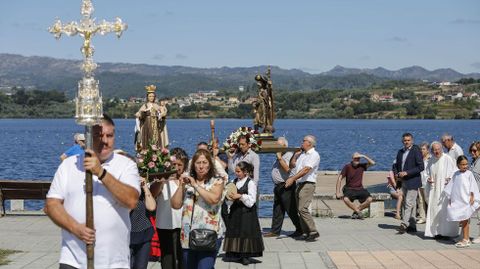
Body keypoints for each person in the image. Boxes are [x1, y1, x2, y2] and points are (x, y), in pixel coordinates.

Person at [45, 114, 140, 269]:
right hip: (73, 260)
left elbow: (131, 200)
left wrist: (101, 172)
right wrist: (76, 228)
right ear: (88, 137)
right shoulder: (69, 165)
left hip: (114, 262)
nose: (105, 140)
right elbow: (52, 204)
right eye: (98, 135)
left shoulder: (126, 165)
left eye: (109, 136)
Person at [171, 149, 225, 269]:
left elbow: (214, 199)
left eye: (204, 163)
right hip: (187, 236)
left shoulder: (217, 181)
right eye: (198, 163)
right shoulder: (187, 183)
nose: (201, 166)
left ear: (210, 165)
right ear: (193, 165)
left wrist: (195, 185)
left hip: (209, 234)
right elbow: (175, 205)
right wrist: (181, 186)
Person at [151, 147, 188, 269]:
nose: (177, 167)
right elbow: (153, 194)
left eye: (180, 164)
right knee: (167, 259)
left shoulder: (187, 179)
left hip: (183, 225)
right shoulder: (164, 179)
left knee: (182, 258)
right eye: (174, 164)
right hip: (165, 225)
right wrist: (162, 180)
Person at [223, 162, 264, 265]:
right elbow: (229, 199)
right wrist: (229, 198)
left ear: (245, 172)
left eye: (238, 171)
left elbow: (251, 201)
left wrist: (240, 196)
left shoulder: (251, 183)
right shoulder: (234, 181)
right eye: (235, 171)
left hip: (247, 213)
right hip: (236, 211)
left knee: (246, 232)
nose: (236, 173)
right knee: (235, 230)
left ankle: (246, 255)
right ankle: (236, 253)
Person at [264, 137, 303, 238]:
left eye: (278, 146)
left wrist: (279, 158)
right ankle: (275, 231)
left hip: (286, 185)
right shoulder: (281, 155)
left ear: (285, 146)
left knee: (291, 209)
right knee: (277, 209)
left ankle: (300, 229)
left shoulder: (288, 155)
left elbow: (287, 169)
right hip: (278, 186)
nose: (276, 148)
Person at [285, 135, 320, 242]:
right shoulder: (302, 154)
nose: (302, 142)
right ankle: (305, 232)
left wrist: (292, 179)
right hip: (300, 184)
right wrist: (295, 156)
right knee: (298, 209)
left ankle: (313, 231)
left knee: (302, 208)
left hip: (308, 184)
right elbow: (292, 166)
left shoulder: (314, 155)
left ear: (310, 143)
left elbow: (306, 170)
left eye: (304, 141)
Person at [444, 155, 480, 247]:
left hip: (466, 200)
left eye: (466, 164)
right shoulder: (456, 174)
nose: (465, 166)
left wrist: (472, 197)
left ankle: (466, 239)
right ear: (458, 165)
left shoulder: (469, 174)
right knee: (461, 219)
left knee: (465, 220)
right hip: (458, 200)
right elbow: (451, 186)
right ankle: (463, 237)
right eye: (462, 164)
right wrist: (450, 198)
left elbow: (473, 186)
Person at [424, 141, 458, 239]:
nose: (437, 152)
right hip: (434, 190)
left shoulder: (448, 159)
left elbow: (455, 171)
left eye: (438, 149)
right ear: (432, 151)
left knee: (444, 210)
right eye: (434, 150)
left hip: (445, 190)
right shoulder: (431, 161)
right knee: (434, 210)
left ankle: (447, 233)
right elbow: (426, 173)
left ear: (442, 149)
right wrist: (428, 179)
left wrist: (450, 178)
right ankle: (436, 232)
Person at [393, 133, 424, 234]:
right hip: (403, 181)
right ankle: (413, 225)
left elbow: (421, 167)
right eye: (405, 140)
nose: (406, 142)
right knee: (412, 204)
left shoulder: (416, 150)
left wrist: (407, 172)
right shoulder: (400, 152)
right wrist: (397, 174)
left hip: (413, 181)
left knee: (408, 203)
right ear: (402, 141)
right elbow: (396, 165)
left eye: (408, 140)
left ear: (412, 141)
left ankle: (404, 224)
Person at [336, 152, 375, 219]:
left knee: (370, 199)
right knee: (345, 199)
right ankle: (358, 212)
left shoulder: (361, 166)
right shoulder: (347, 166)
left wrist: (363, 156)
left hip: (360, 188)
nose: (357, 160)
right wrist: (337, 192)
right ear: (352, 159)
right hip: (349, 188)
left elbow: (373, 163)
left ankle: (357, 210)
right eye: (355, 158)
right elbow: (340, 178)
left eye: (358, 159)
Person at [130, 176, 157, 269]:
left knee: (141, 266)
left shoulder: (143, 190)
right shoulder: (123, 188)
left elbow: (152, 207)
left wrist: (145, 187)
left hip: (144, 233)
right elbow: (128, 208)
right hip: (126, 235)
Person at [135, 85, 163, 151]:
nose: (151, 98)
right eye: (150, 96)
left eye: (153, 96)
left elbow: (163, 112)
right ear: (147, 97)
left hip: (155, 125)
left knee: (156, 139)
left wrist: (161, 115)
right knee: (148, 139)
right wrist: (143, 112)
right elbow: (137, 114)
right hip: (147, 125)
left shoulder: (156, 105)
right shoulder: (145, 105)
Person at [468, 141, 480, 244]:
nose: (472, 152)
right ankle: (465, 235)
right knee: (467, 214)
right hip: (472, 192)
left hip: (479, 192)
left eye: (475, 150)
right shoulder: (473, 162)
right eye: (471, 150)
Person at [417, 142, 431, 224]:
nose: (422, 151)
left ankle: (430, 217)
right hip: (420, 182)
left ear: (428, 150)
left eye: (423, 149)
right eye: (421, 149)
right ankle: (423, 217)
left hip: (427, 183)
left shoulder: (430, 159)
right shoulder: (419, 159)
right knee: (421, 200)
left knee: (428, 200)